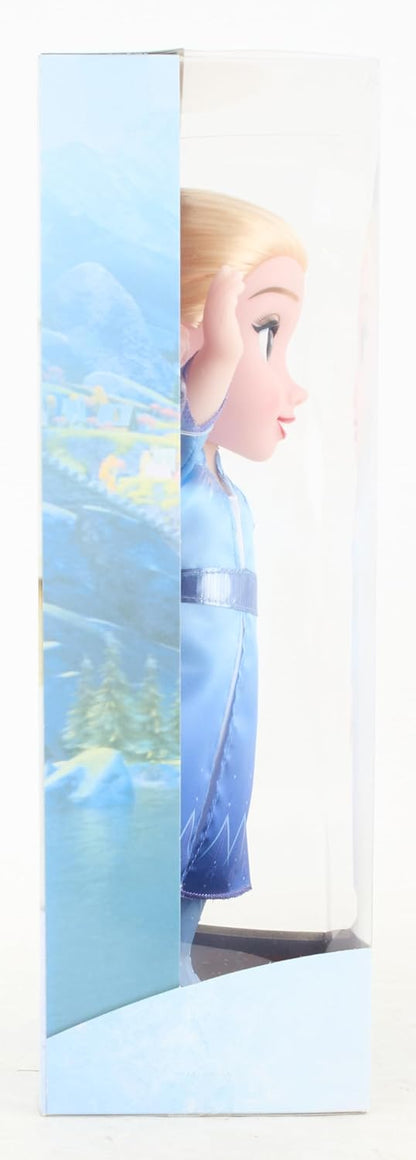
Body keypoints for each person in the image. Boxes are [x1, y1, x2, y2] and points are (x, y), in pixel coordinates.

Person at [180, 189, 308, 984]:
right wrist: (221, 352)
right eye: (268, 332)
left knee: (219, 809)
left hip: (230, 680)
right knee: (180, 802)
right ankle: (155, 956)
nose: (294, 386)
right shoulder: (176, 466)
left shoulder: (228, 488)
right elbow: (179, 427)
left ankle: (178, 949)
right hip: (185, 676)